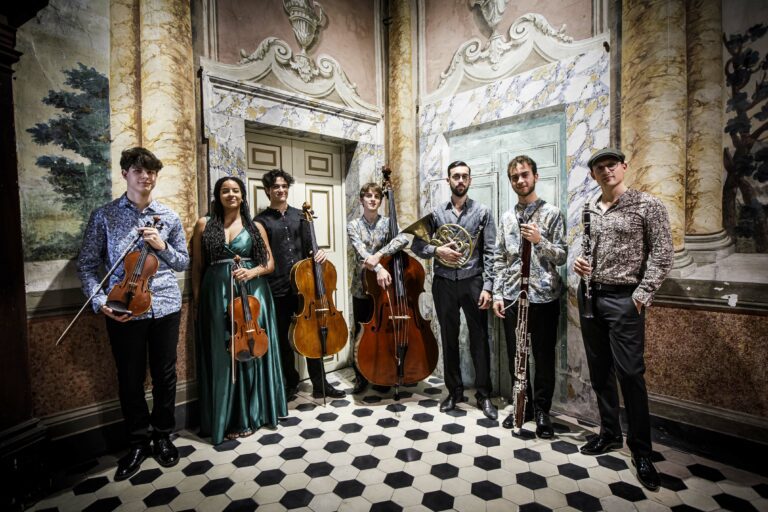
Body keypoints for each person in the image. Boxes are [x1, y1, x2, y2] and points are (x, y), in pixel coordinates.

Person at [77, 147, 189, 481]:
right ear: (125, 173)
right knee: (130, 378)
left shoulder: (167, 217)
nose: (146, 177)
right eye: (139, 170)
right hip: (123, 308)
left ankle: (163, 435)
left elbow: (183, 261)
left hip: (165, 305)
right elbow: (85, 265)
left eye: (152, 171)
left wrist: (161, 246)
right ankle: (138, 441)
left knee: (165, 374)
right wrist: (100, 303)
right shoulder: (105, 216)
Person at [573, 147, 673, 491]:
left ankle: (642, 452)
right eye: (599, 167)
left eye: (611, 165)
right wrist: (579, 264)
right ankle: (610, 434)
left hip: (624, 298)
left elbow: (662, 255)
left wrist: (640, 298)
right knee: (600, 372)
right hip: (589, 296)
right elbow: (585, 250)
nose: (606, 171)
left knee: (631, 374)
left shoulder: (648, 206)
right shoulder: (588, 208)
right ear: (593, 175)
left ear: (624, 167)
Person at [191, 176, 287, 444]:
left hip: (252, 295)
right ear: (217, 195)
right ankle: (227, 417)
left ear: (243, 196)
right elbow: (197, 268)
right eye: (225, 190)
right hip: (215, 294)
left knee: (250, 351)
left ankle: (253, 416)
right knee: (223, 355)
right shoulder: (204, 225)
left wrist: (252, 270)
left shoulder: (255, 226)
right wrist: (199, 304)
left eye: (235, 190)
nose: (230, 194)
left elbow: (269, 263)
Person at [411, 160, 498, 420]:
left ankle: (483, 395)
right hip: (444, 282)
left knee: (479, 339)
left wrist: (489, 286)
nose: (460, 180)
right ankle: (454, 392)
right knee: (448, 338)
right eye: (455, 176)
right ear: (448, 180)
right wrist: (437, 250)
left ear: (470, 180)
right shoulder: (437, 214)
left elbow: (491, 252)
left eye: (464, 176)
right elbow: (417, 245)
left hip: (473, 282)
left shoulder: (482, 212)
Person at [492, 155, 566, 438]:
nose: (520, 180)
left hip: (544, 298)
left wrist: (540, 241)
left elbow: (561, 256)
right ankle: (523, 405)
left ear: (535, 176)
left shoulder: (552, 214)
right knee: (516, 356)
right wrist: (498, 292)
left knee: (544, 357)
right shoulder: (507, 218)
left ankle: (544, 411)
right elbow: (500, 257)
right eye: (514, 177)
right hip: (512, 297)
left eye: (524, 175)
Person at [255, 169, 345, 399]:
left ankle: (320, 384)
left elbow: (310, 249)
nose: (281, 190)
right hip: (278, 287)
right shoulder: (261, 221)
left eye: (284, 186)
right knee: (285, 338)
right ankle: (290, 383)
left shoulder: (301, 216)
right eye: (276, 187)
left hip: (306, 288)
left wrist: (319, 253)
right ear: (267, 191)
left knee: (313, 335)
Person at [347, 182, 409, 393]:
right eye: (369, 196)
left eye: (376, 197)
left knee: (383, 333)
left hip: (384, 289)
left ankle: (381, 372)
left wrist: (379, 256)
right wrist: (378, 268)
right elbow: (360, 252)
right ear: (361, 200)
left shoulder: (388, 223)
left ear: (381, 201)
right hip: (361, 287)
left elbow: (403, 239)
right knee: (360, 332)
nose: (373, 199)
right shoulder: (353, 225)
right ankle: (360, 377)